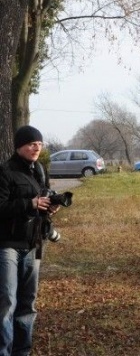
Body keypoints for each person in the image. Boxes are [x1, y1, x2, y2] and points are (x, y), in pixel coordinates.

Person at [0, 125, 60, 356]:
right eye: (32, 144)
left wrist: (48, 208)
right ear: (19, 146)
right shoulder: (5, 172)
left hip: (33, 244)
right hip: (8, 246)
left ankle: (22, 351)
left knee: (28, 304)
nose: (37, 148)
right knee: (7, 302)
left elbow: (42, 198)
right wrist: (30, 204)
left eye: (40, 144)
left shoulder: (39, 170)